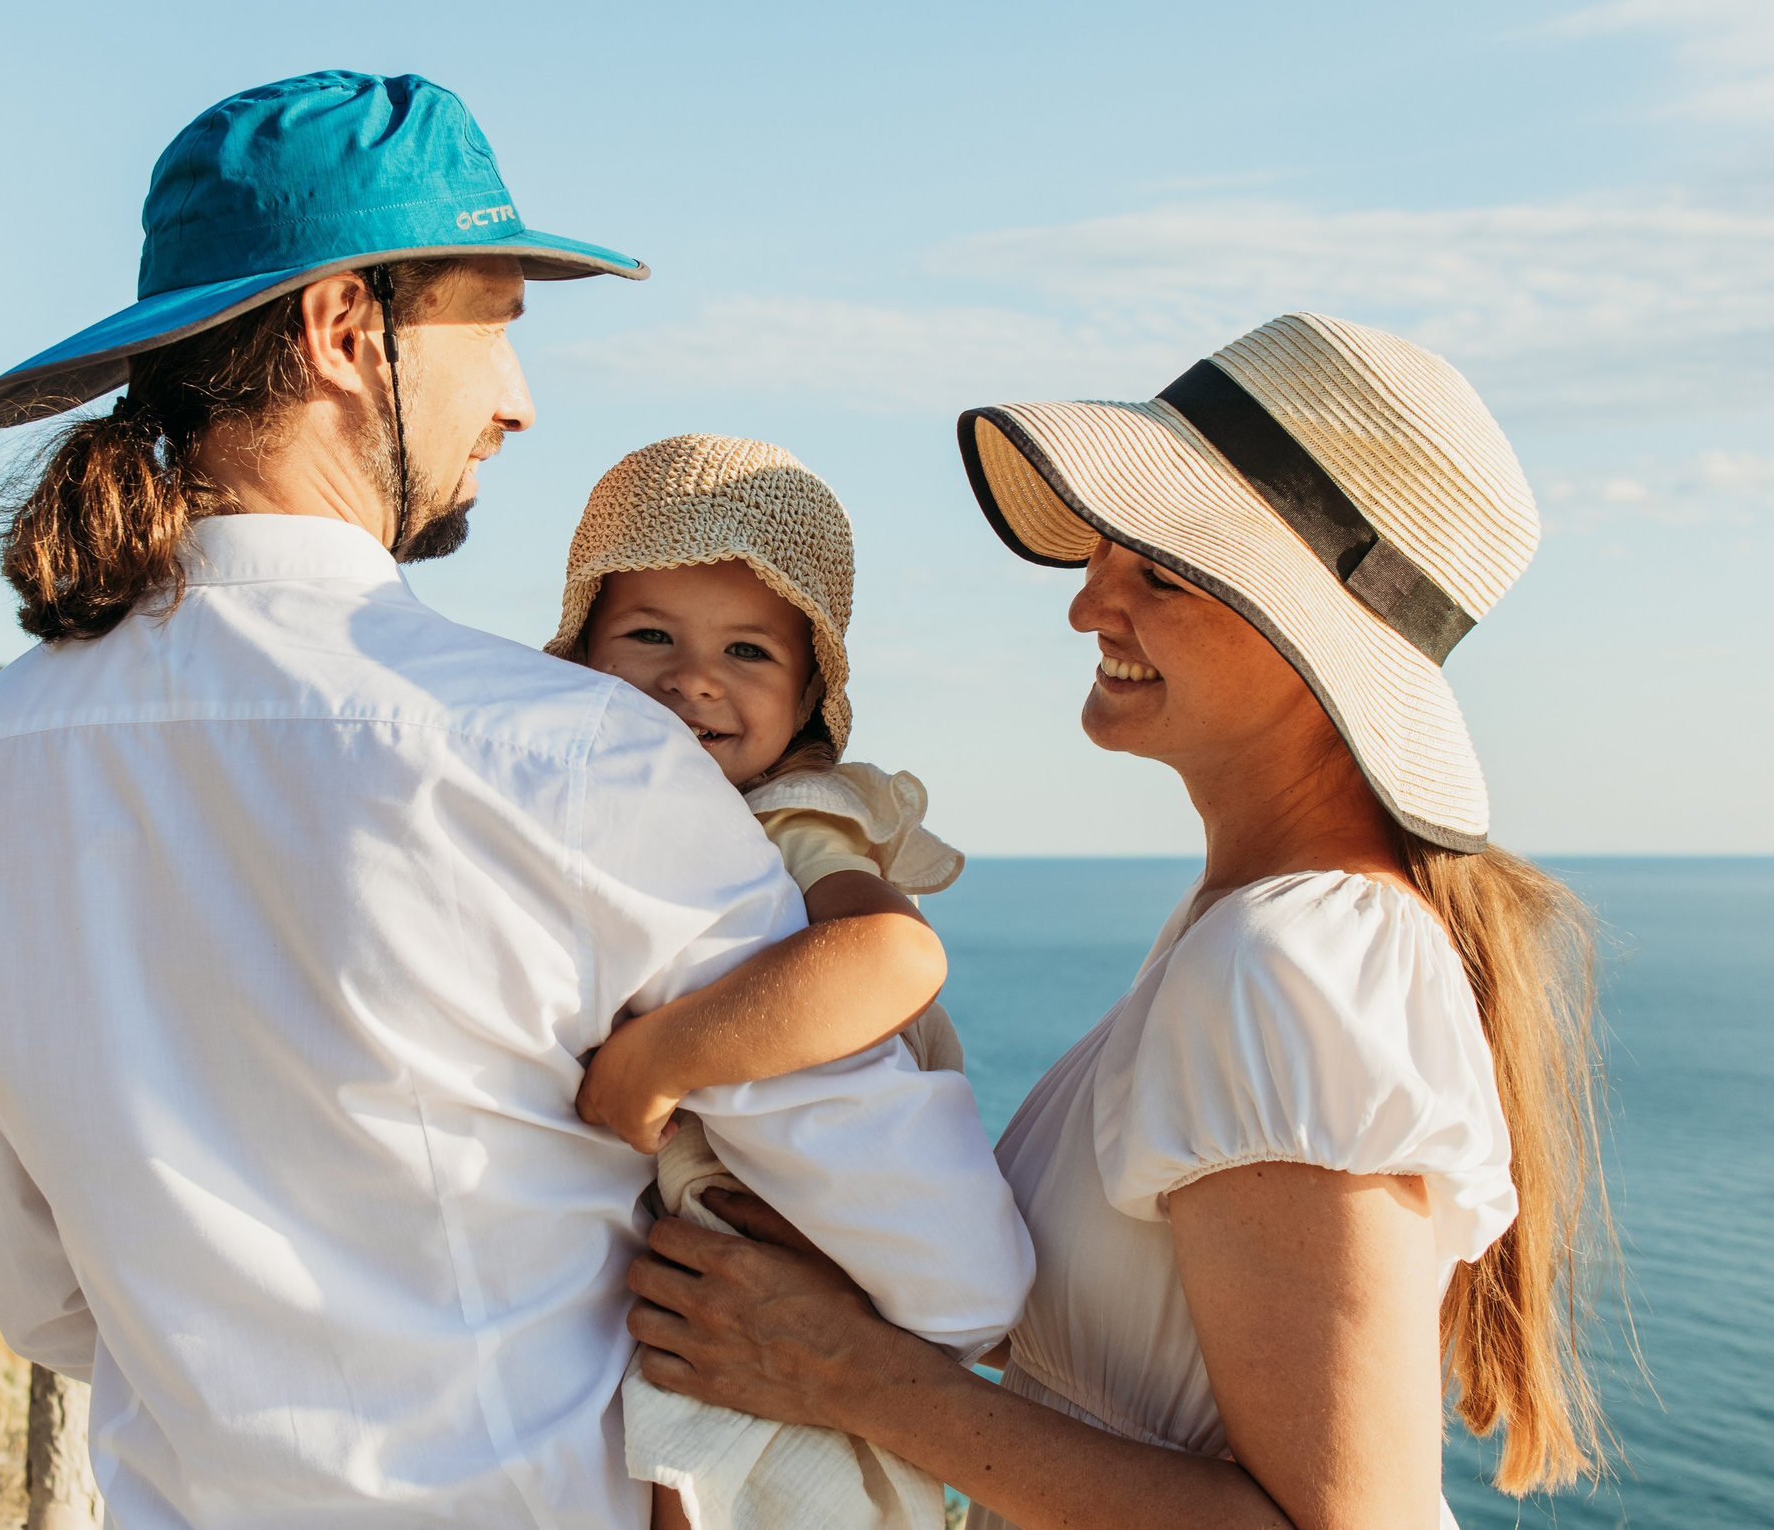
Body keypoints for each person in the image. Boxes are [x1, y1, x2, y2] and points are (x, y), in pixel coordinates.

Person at [0, 71, 1033, 1530]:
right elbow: (958, 1273)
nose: (522, 401)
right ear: (346, 332)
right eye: (497, 324)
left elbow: (51, 1303)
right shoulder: (577, 758)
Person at [619, 314, 1610, 1530]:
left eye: (1160, 572)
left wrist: (856, 1376)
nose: (1090, 604)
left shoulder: (1289, 957)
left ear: (1316, 643)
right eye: (1101, 556)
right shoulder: (1251, 934)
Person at [551, 434, 972, 1530]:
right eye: (649, 635)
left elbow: (894, 958)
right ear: (580, 657)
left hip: (809, 1262)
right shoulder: (588, 811)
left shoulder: (791, 823)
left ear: (805, 703)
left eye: (748, 652)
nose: (694, 678)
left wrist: (664, 1056)